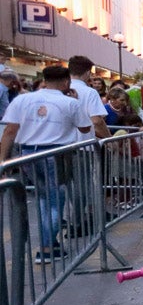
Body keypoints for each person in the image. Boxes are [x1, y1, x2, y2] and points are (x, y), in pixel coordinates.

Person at [0, 65, 91, 263]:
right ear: (67, 81)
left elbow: (9, 131)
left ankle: (49, 242)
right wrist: (75, 102)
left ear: (44, 79)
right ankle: (47, 246)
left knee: (44, 199)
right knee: (55, 200)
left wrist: (2, 160)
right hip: (56, 153)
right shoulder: (69, 103)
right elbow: (85, 128)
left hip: (28, 154)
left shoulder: (23, 100)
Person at [67, 55, 111, 139]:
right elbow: (97, 121)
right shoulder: (90, 92)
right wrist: (109, 138)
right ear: (87, 72)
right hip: (84, 143)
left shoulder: (59, 90)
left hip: (62, 145)